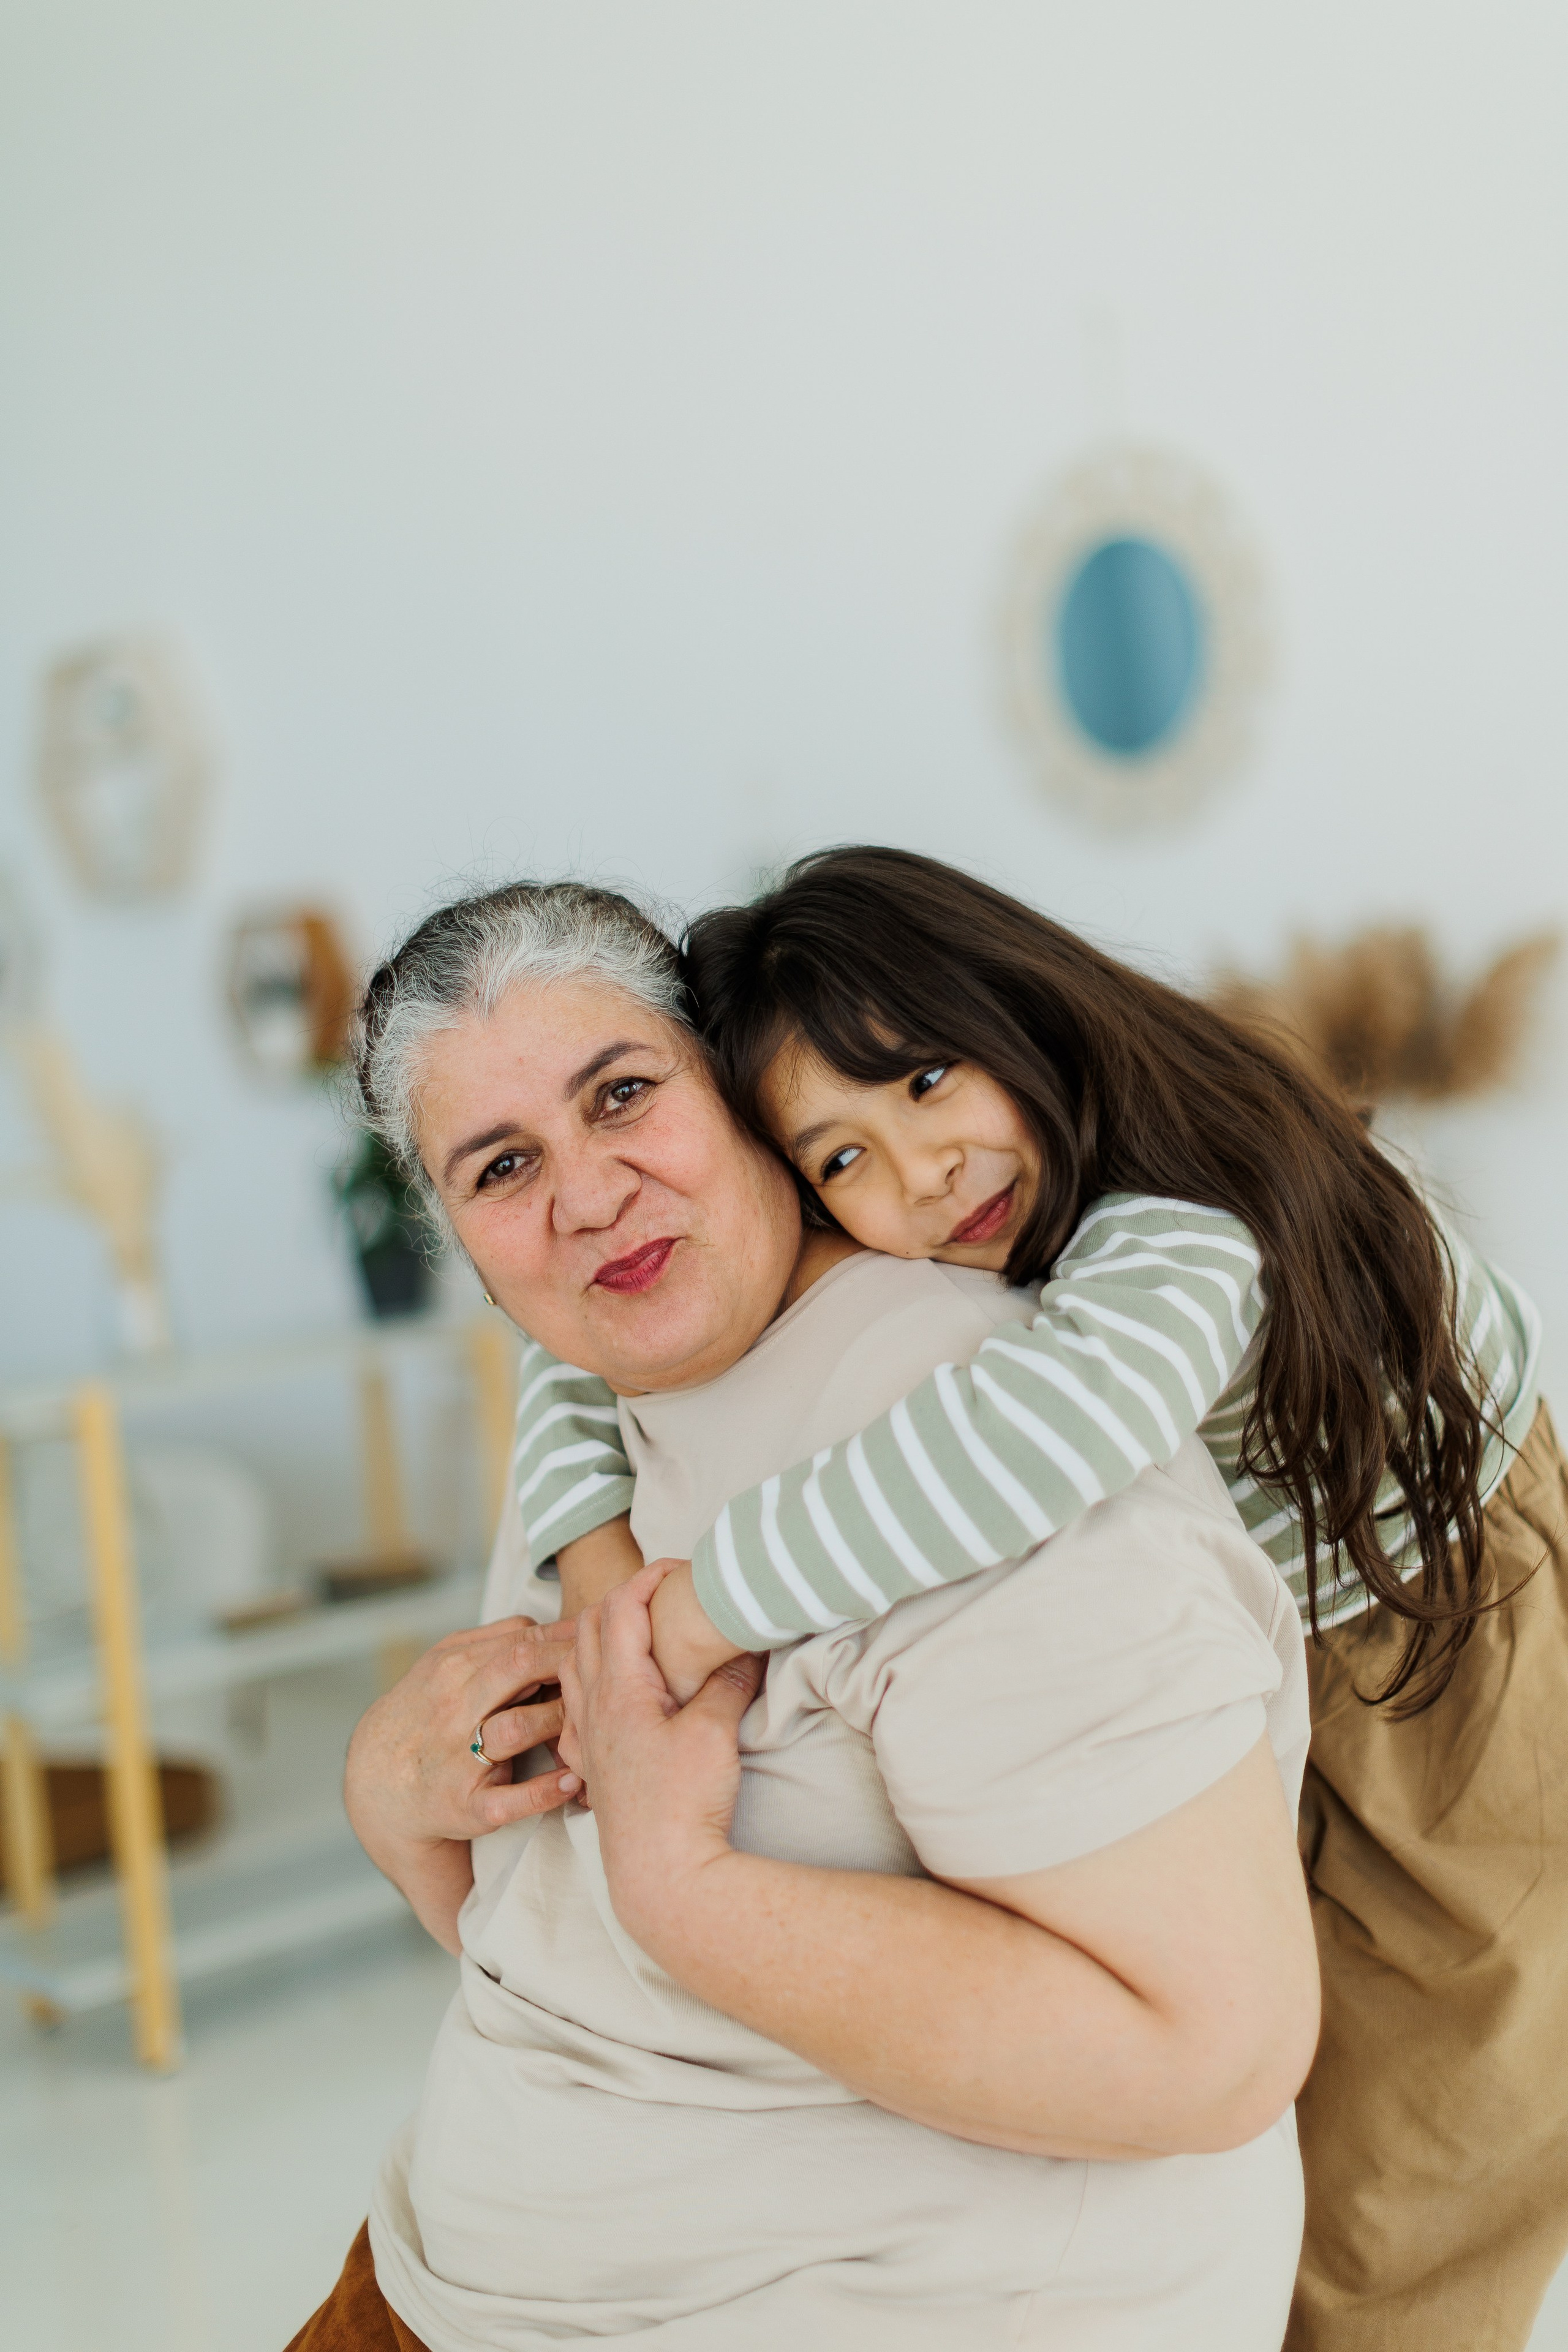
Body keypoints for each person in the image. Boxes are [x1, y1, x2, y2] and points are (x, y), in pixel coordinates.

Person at [509, 846, 1568, 2352]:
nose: (918, 1177)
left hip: (1447, 1631)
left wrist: (695, 1612)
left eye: (929, 1081)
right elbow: (569, 1355)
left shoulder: (1179, 1213)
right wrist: (594, 1566)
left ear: (1018, 1007)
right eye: (838, 1161)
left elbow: (1037, 1437)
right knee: (1250, 2167)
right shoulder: (957, 1226)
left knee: (1423, 2164)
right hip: (1258, 1629)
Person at [291, 878, 1319, 2351]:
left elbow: (1213, 2054)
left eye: (623, 1095)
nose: (585, 1197)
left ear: (737, 1094)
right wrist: (392, 1795)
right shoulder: (596, 1403)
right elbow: (550, 1956)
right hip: (434, 2281)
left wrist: (682, 1885)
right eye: (501, 1167)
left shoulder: (975, 1434)